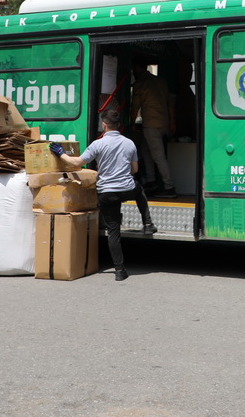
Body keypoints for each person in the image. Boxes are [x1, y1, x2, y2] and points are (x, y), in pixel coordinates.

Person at [52, 108, 156, 281]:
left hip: (107, 193)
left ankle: (119, 271)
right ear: (119, 126)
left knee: (113, 231)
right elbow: (135, 170)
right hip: (126, 189)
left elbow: (77, 162)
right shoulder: (129, 143)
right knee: (139, 190)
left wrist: (60, 152)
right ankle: (147, 223)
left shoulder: (98, 144)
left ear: (104, 125)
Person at [130, 57, 176, 197]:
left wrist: (131, 124)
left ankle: (169, 187)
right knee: (145, 148)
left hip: (151, 124)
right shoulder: (161, 81)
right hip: (164, 123)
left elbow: (135, 106)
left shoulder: (140, 83)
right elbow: (170, 103)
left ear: (137, 69)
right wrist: (172, 122)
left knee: (158, 156)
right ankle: (151, 180)